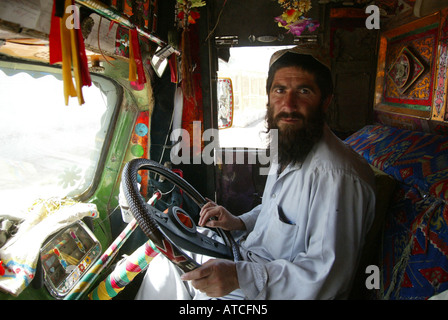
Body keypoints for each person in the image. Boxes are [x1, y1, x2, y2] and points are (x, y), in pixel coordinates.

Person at [135, 46, 376, 300]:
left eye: (303, 91)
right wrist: (239, 222)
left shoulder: (336, 177)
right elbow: (278, 212)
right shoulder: (292, 145)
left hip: (273, 290)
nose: (288, 104)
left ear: (325, 101)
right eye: (279, 90)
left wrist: (238, 277)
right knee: (165, 262)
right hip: (247, 258)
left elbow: (326, 279)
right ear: (269, 98)